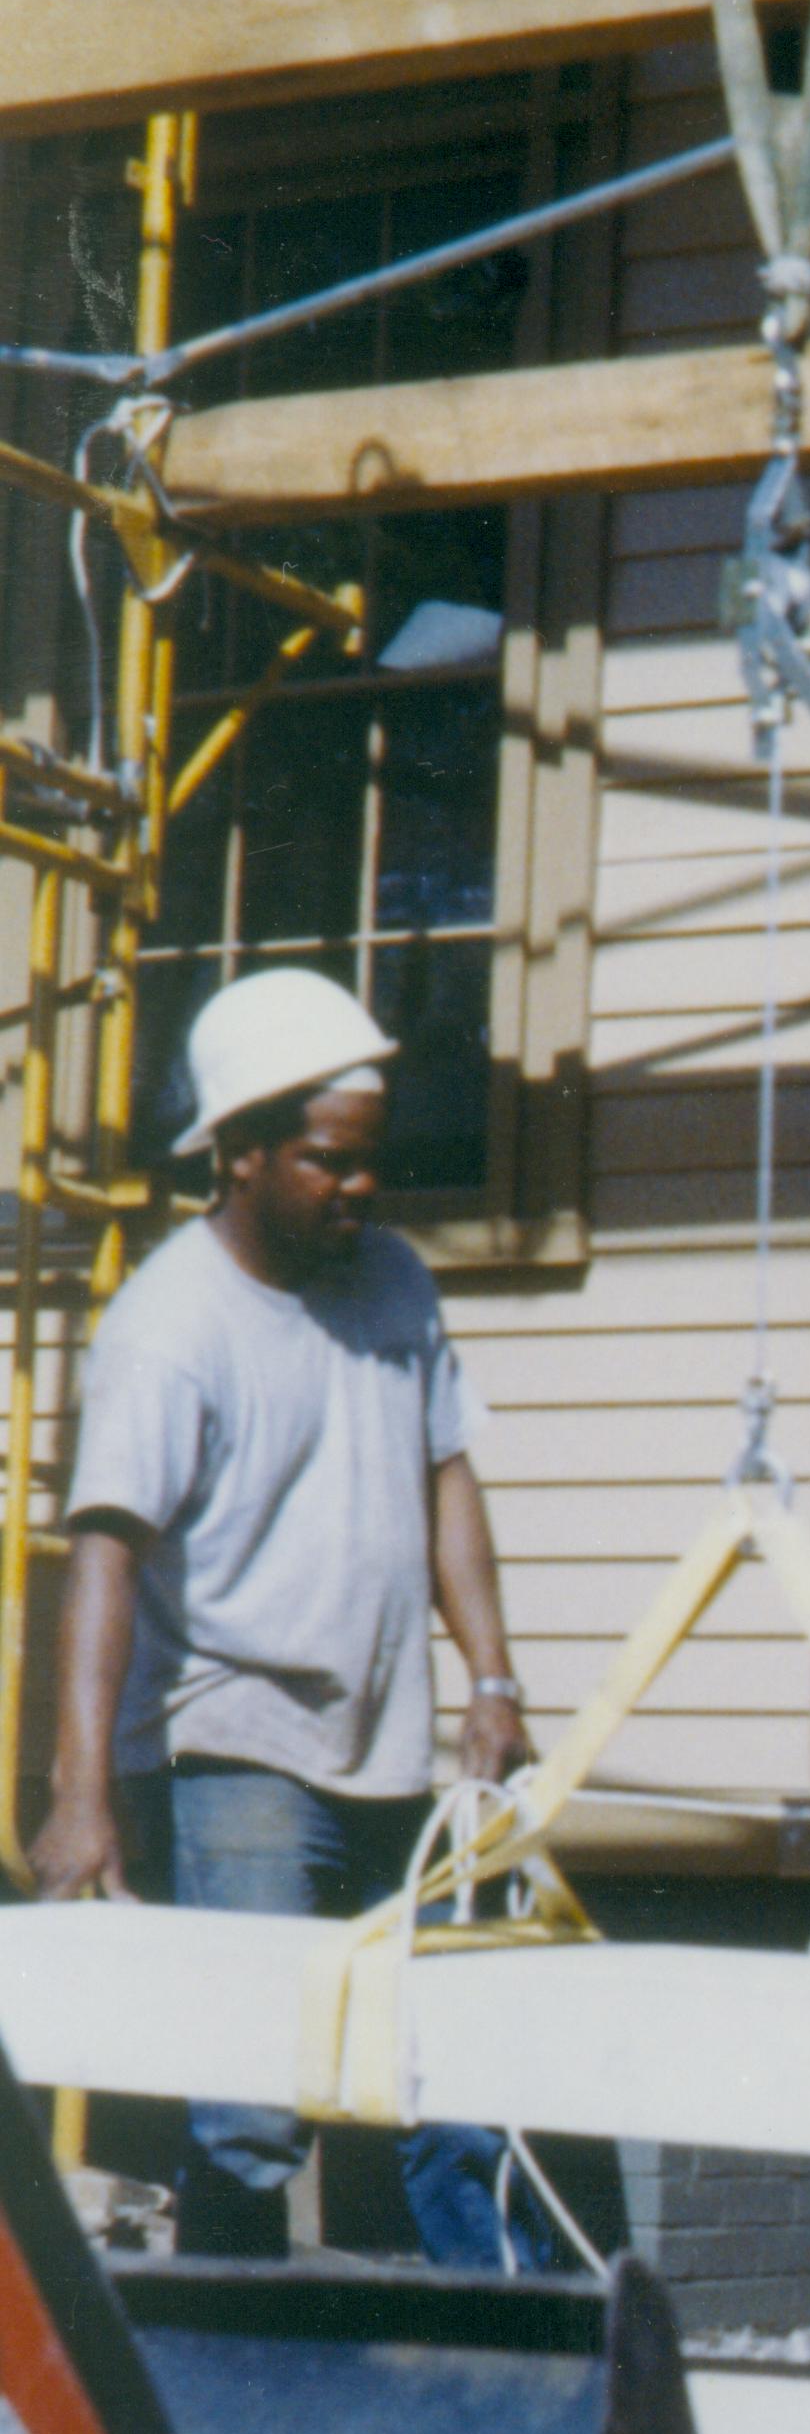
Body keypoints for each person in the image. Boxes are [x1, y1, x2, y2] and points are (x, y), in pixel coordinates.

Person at [31, 966, 557, 2270]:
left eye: (371, 1162)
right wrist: (80, 1786)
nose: (360, 1188)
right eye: (330, 1164)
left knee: (452, 2083)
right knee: (254, 2104)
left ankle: (499, 2372)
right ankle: (229, 2379)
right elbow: (102, 1558)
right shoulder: (171, 1324)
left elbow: (446, 1480)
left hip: (394, 1755)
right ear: (243, 1154)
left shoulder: (396, 1285)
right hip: (235, 1755)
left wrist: (494, 1682)